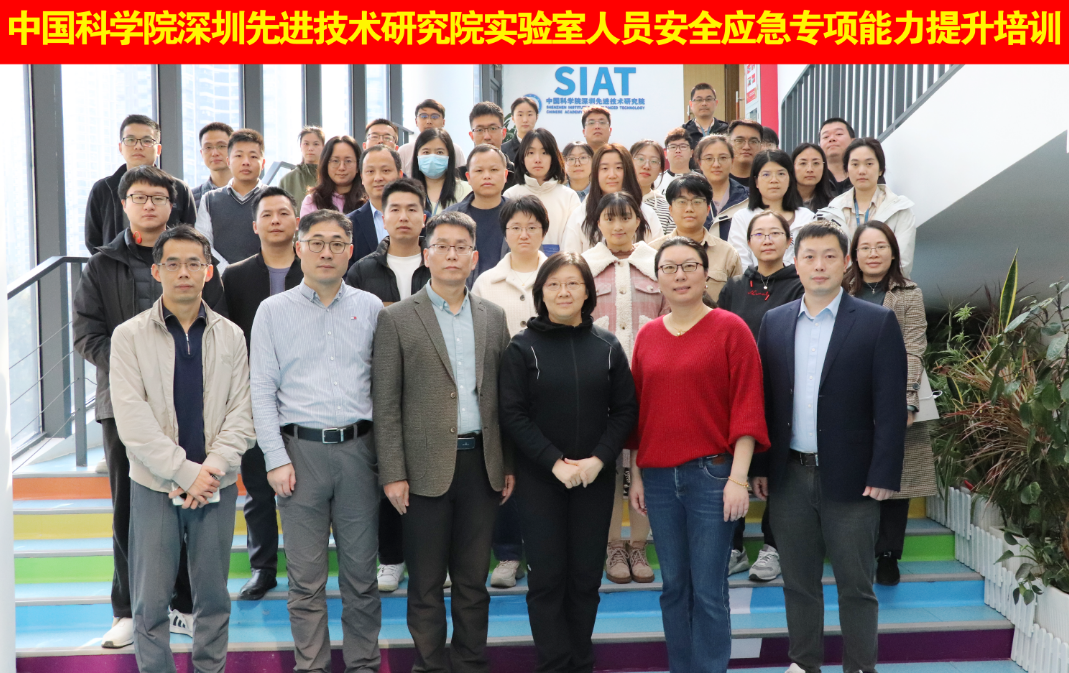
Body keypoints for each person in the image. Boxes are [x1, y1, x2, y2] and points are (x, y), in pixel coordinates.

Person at [74, 165, 226, 649]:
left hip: (190, 400)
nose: (149, 205)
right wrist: (133, 371)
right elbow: (86, 334)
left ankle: (183, 605)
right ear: (123, 204)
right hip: (124, 407)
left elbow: (217, 327)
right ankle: (127, 609)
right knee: (130, 510)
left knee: (187, 504)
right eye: (139, 197)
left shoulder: (199, 259)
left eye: (158, 198)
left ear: (172, 205)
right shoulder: (102, 265)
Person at [754, 220, 907, 673]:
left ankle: (859, 666)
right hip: (788, 476)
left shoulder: (877, 321)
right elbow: (764, 400)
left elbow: (891, 407)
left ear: (846, 263)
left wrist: (884, 473)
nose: (819, 265)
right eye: (809, 257)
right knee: (798, 583)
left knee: (855, 585)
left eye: (829, 256)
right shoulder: (774, 321)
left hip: (855, 479)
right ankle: (804, 663)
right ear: (795, 263)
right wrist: (761, 465)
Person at [373, 211, 514, 673]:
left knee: (473, 582)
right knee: (426, 584)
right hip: (422, 471)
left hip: (482, 467)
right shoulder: (396, 318)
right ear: (426, 255)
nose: (452, 254)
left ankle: (471, 663)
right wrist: (393, 472)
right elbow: (386, 403)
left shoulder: (493, 317)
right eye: (442, 246)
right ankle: (430, 665)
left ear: (474, 258)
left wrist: (507, 463)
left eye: (461, 247)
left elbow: (503, 399)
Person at [109, 225, 254, 673]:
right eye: (173, 263)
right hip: (155, 484)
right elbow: (133, 422)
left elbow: (242, 413)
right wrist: (185, 472)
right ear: (157, 271)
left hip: (215, 484)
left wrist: (211, 469)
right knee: (149, 603)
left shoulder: (231, 335)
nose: (184, 272)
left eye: (194, 263)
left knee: (212, 598)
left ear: (209, 271)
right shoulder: (129, 336)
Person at [251, 209, 384, 673]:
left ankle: (364, 664)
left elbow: (384, 386)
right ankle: (311, 666)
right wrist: (274, 458)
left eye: (337, 244)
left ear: (350, 251)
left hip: (359, 452)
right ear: (299, 249)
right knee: (305, 581)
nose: (327, 252)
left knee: (361, 577)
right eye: (317, 243)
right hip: (298, 455)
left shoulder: (370, 307)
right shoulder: (272, 311)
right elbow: (260, 390)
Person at [629, 236, 769, 673]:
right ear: (657, 279)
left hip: (713, 476)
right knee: (674, 586)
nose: (680, 275)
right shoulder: (648, 335)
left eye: (689, 266)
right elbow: (639, 413)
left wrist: (738, 479)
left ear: (706, 273)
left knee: (709, 589)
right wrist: (636, 476)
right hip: (658, 478)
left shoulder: (731, 329)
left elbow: (748, 408)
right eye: (669, 268)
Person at [498, 251, 638, 671]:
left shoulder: (607, 345)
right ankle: (555, 664)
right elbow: (512, 414)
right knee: (547, 579)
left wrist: (598, 459)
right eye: (554, 284)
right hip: (541, 480)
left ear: (588, 292)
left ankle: (581, 662)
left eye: (573, 283)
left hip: (594, 479)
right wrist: (555, 462)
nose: (564, 291)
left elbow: (625, 410)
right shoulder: (522, 347)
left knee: (585, 578)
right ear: (541, 292)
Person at [345, 177, 431, 593]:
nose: (403, 216)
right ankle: (392, 559)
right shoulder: (363, 269)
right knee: (387, 472)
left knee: (431, 475)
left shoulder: (438, 261)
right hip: (378, 383)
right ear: (383, 217)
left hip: (431, 382)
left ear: (424, 217)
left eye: (412, 209)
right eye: (395, 209)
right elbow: (354, 323)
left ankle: (431, 558)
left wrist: (390, 311)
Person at [220, 186, 304, 601]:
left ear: (297, 222)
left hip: (307, 397)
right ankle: (263, 568)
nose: (275, 220)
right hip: (255, 395)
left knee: (307, 487)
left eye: (283, 213)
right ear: (254, 226)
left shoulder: (314, 269)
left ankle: (306, 567)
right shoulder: (235, 276)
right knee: (258, 487)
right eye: (267, 214)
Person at [843, 221, 937, 587]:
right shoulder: (840, 290)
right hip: (851, 395)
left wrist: (907, 401)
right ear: (854, 255)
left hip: (895, 391)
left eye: (880, 246)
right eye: (865, 247)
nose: (873, 254)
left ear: (893, 252)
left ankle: (888, 555)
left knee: (898, 477)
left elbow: (914, 348)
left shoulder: (909, 293)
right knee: (854, 474)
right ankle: (855, 548)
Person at [581, 192, 666, 585]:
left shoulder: (657, 264)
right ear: (598, 223)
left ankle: (639, 545)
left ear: (638, 221)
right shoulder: (584, 266)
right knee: (610, 466)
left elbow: (670, 315)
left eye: (626, 217)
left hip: (651, 382)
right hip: (601, 384)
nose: (618, 225)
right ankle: (614, 544)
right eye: (609, 218)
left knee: (646, 462)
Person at [717, 211, 805, 582]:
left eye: (775, 233)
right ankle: (733, 547)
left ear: (788, 241)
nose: (767, 240)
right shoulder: (735, 286)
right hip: (736, 392)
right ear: (748, 241)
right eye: (759, 234)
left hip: (784, 390)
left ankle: (773, 546)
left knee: (780, 472)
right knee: (731, 467)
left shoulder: (800, 285)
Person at [471, 196, 551, 589]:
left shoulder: (559, 274)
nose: (524, 234)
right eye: (516, 227)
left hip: (552, 392)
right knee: (505, 473)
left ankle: (544, 553)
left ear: (544, 232)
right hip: (503, 393)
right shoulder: (486, 281)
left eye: (532, 227)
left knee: (546, 476)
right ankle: (507, 554)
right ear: (504, 232)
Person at [85, 114, 197, 253]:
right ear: (120, 147)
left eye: (147, 141)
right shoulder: (103, 189)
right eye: (130, 140)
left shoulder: (179, 188)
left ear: (158, 149)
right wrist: (109, 263)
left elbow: (190, 235)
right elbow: (93, 240)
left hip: (167, 264)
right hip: (115, 265)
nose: (138, 146)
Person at [817, 137, 918, 276]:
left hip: (887, 287)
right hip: (843, 286)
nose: (862, 171)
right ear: (847, 169)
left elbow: (902, 263)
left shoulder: (900, 209)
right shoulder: (833, 210)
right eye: (855, 164)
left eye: (869, 164)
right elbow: (829, 258)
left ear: (881, 169)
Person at [650, 174, 742, 303]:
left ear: (708, 209)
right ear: (670, 209)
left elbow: (737, 302)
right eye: (682, 202)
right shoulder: (652, 251)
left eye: (697, 202)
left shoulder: (727, 254)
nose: (689, 209)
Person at [560, 143, 659, 255]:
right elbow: (570, 260)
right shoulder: (580, 216)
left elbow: (658, 258)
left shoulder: (647, 214)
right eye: (605, 168)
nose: (612, 175)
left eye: (618, 168)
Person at [727, 149, 815, 268]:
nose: (774, 180)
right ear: (756, 181)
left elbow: (811, 259)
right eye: (766, 174)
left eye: (781, 174)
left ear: (790, 179)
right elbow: (740, 263)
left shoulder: (807, 218)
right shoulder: (742, 217)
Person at [196, 128, 269, 271]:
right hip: (221, 278)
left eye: (253, 156)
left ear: (263, 163)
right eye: (239, 156)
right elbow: (203, 244)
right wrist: (229, 272)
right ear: (228, 161)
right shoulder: (210, 199)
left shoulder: (274, 198)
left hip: (265, 275)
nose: (246, 162)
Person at [503, 128, 580, 252]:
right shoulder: (511, 195)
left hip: (560, 263)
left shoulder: (569, 197)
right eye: (531, 153)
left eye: (544, 152)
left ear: (553, 157)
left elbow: (574, 241)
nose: (537, 159)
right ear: (522, 158)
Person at [445, 145, 510, 278]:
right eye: (479, 170)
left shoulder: (521, 215)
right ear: (468, 177)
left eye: (494, 170)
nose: (487, 176)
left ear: (505, 175)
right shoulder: (449, 218)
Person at [346, 144, 403, 262]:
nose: (378, 178)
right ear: (362, 178)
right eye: (370, 171)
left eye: (386, 170)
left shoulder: (421, 219)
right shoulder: (349, 224)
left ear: (400, 175)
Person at [695, 135, 749, 241]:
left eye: (723, 158)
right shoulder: (690, 199)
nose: (716, 164)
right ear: (700, 163)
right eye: (709, 158)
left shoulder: (748, 198)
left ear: (732, 161)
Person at [300, 135, 367, 217]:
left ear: (358, 166)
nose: (342, 167)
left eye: (348, 161)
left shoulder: (368, 200)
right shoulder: (311, 202)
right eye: (335, 161)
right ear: (326, 165)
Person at [412, 128, 472, 217]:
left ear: (449, 156)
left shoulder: (466, 190)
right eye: (426, 152)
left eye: (439, 152)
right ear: (417, 156)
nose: (432, 158)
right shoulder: (407, 192)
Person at [398, 99, 467, 175]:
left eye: (434, 117)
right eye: (423, 116)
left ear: (443, 122)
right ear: (416, 121)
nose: (429, 121)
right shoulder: (404, 151)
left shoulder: (455, 150)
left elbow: (462, 177)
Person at [468, 101, 519, 188]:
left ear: (503, 133)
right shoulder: (460, 177)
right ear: (471, 136)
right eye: (479, 130)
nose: (487, 136)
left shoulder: (518, 176)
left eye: (493, 128)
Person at [630, 140, 673, 234]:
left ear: (661, 169)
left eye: (654, 161)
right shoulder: (614, 200)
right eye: (640, 159)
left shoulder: (668, 209)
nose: (646, 166)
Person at [191, 122, 234, 208]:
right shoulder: (191, 199)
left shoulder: (254, 195)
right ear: (201, 153)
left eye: (221, 146)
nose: (214, 153)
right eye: (208, 147)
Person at [279, 126, 325, 204]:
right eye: (306, 144)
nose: (310, 148)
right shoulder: (287, 180)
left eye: (316, 144)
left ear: (323, 147)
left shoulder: (330, 176)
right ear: (300, 146)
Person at [682, 84, 730, 151]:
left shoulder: (727, 130)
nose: (704, 103)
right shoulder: (683, 132)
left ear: (716, 103)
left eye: (708, 99)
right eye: (699, 100)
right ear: (691, 104)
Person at [792, 143, 836, 212]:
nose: (810, 169)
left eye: (816, 163)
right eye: (803, 163)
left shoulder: (833, 204)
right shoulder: (781, 201)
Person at [818, 117, 856, 195]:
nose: (832, 139)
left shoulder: (865, 173)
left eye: (839, 134)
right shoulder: (814, 178)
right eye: (826, 137)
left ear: (853, 141)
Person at [660, 127, 699, 194]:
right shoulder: (656, 181)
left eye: (683, 146)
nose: (678, 150)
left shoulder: (701, 180)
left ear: (691, 153)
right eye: (673, 147)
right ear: (665, 153)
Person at [501, 96, 539, 164]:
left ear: (537, 117)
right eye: (520, 115)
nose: (525, 120)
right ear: (513, 118)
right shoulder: (503, 151)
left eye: (529, 114)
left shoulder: (546, 147)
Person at [727, 119, 763, 186]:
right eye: (739, 141)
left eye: (753, 141)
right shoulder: (718, 177)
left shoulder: (766, 180)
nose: (746, 147)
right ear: (728, 144)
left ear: (761, 146)